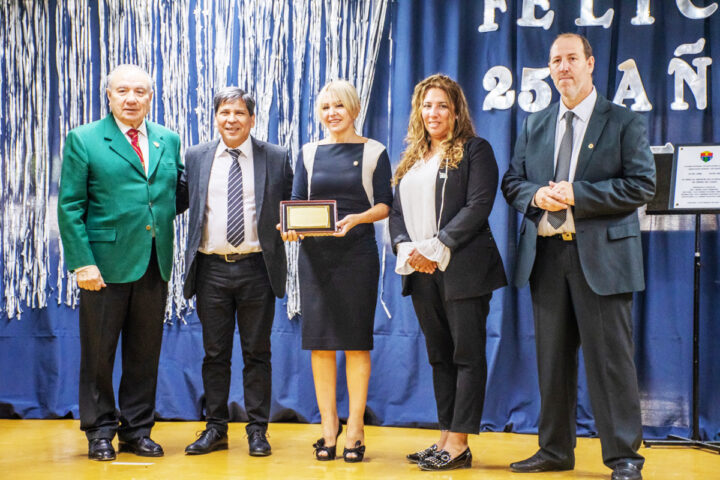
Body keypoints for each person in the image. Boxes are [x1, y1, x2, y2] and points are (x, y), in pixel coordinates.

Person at [501, 33, 655, 480]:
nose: (563, 67)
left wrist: (577, 194)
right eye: (555, 60)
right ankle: (554, 450)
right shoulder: (535, 123)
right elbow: (513, 182)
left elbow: (642, 185)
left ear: (590, 63)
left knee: (611, 365)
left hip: (603, 262)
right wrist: (537, 195)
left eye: (571, 58)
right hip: (547, 257)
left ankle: (624, 457)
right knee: (552, 362)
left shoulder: (624, 121)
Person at [57, 64, 183, 461]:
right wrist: (82, 262)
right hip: (103, 266)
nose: (132, 98)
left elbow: (172, 197)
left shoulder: (168, 139)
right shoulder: (84, 139)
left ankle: (136, 430)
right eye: (123, 91)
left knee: (144, 354)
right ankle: (99, 431)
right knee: (99, 354)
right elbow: (70, 206)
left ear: (151, 97)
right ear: (108, 95)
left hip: (153, 261)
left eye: (140, 91)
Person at [388, 74, 507, 471]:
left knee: (466, 355)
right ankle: (444, 436)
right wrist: (409, 248)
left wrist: (436, 246)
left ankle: (459, 443)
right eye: (426, 106)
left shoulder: (476, 150)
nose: (433, 113)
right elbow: (396, 214)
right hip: (420, 271)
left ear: (456, 111)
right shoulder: (410, 160)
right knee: (440, 356)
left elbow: (478, 206)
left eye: (441, 105)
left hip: (464, 269)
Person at [176, 87, 293, 457]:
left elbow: (294, 205)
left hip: (258, 268)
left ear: (252, 119)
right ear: (215, 117)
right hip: (211, 269)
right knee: (214, 354)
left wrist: (298, 225)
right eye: (225, 112)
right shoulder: (195, 157)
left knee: (257, 353)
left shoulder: (275, 157)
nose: (232, 119)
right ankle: (215, 428)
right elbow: (175, 202)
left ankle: (257, 430)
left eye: (240, 113)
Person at [280, 80, 392, 462]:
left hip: (357, 255)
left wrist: (358, 218)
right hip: (315, 257)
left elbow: (384, 205)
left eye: (339, 106)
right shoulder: (309, 152)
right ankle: (329, 428)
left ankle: (356, 429)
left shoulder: (375, 150)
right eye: (325, 106)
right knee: (321, 344)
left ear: (354, 109)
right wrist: (290, 227)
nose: (332, 113)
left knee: (357, 342)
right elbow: (296, 202)